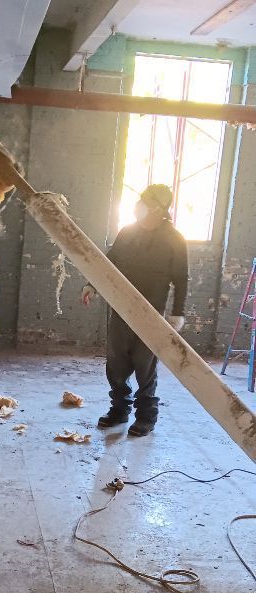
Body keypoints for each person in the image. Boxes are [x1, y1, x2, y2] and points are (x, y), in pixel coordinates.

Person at [81, 184, 189, 437]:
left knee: (145, 365)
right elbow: (109, 261)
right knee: (116, 363)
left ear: (158, 207)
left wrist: (178, 312)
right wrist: (92, 284)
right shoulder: (128, 232)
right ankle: (119, 409)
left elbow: (182, 278)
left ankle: (146, 416)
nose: (138, 205)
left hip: (152, 313)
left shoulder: (174, 239)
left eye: (145, 201)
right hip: (121, 308)